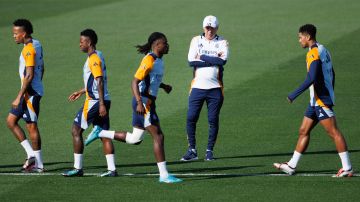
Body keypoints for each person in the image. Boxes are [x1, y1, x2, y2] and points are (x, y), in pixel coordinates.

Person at [84, 32, 182, 183]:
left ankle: (101, 132)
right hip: (143, 103)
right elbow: (135, 82)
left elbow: (150, 79)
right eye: (165, 43)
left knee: (135, 139)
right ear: (156, 45)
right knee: (158, 136)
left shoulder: (158, 60)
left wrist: (163, 86)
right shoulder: (149, 60)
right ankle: (164, 175)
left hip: (148, 102)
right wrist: (138, 102)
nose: (167, 45)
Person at [273, 24, 353, 177]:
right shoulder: (323, 49)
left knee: (333, 132)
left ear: (308, 37)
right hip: (315, 100)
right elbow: (332, 73)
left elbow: (312, 78)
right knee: (304, 130)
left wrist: (293, 95)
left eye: (300, 37)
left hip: (321, 100)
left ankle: (347, 168)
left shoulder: (313, 53)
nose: (299, 40)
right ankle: (291, 165)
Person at [62, 29, 117, 177]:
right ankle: (112, 169)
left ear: (89, 42)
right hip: (103, 99)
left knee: (76, 130)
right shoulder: (99, 54)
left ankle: (77, 168)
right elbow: (95, 80)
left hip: (95, 102)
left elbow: (99, 80)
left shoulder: (93, 58)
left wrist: (100, 104)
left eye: (82, 41)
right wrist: (81, 91)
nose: (79, 44)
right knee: (104, 134)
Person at [181, 15, 229, 161]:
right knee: (191, 118)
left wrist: (202, 57)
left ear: (216, 28)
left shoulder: (222, 42)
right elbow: (191, 61)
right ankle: (192, 151)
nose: (209, 31)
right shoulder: (196, 40)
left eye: (212, 28)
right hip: (197, 87)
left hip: (215, 88)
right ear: (203, 27)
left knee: (213, 120)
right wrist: (212, 61)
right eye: (207, 28)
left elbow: (222, 61)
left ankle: (209, 151)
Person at [7, 19, 45, 172]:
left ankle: (39, 165)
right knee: (11, 121)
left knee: (31, 126)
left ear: (23, 34)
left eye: (16, 34)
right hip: (30, 91)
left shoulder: (28, 49)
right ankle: (31, 155)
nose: (14, 36)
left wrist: (19, 96)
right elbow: (42, 68)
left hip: (30, 94)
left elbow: (29, 75)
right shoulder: (37, 44)